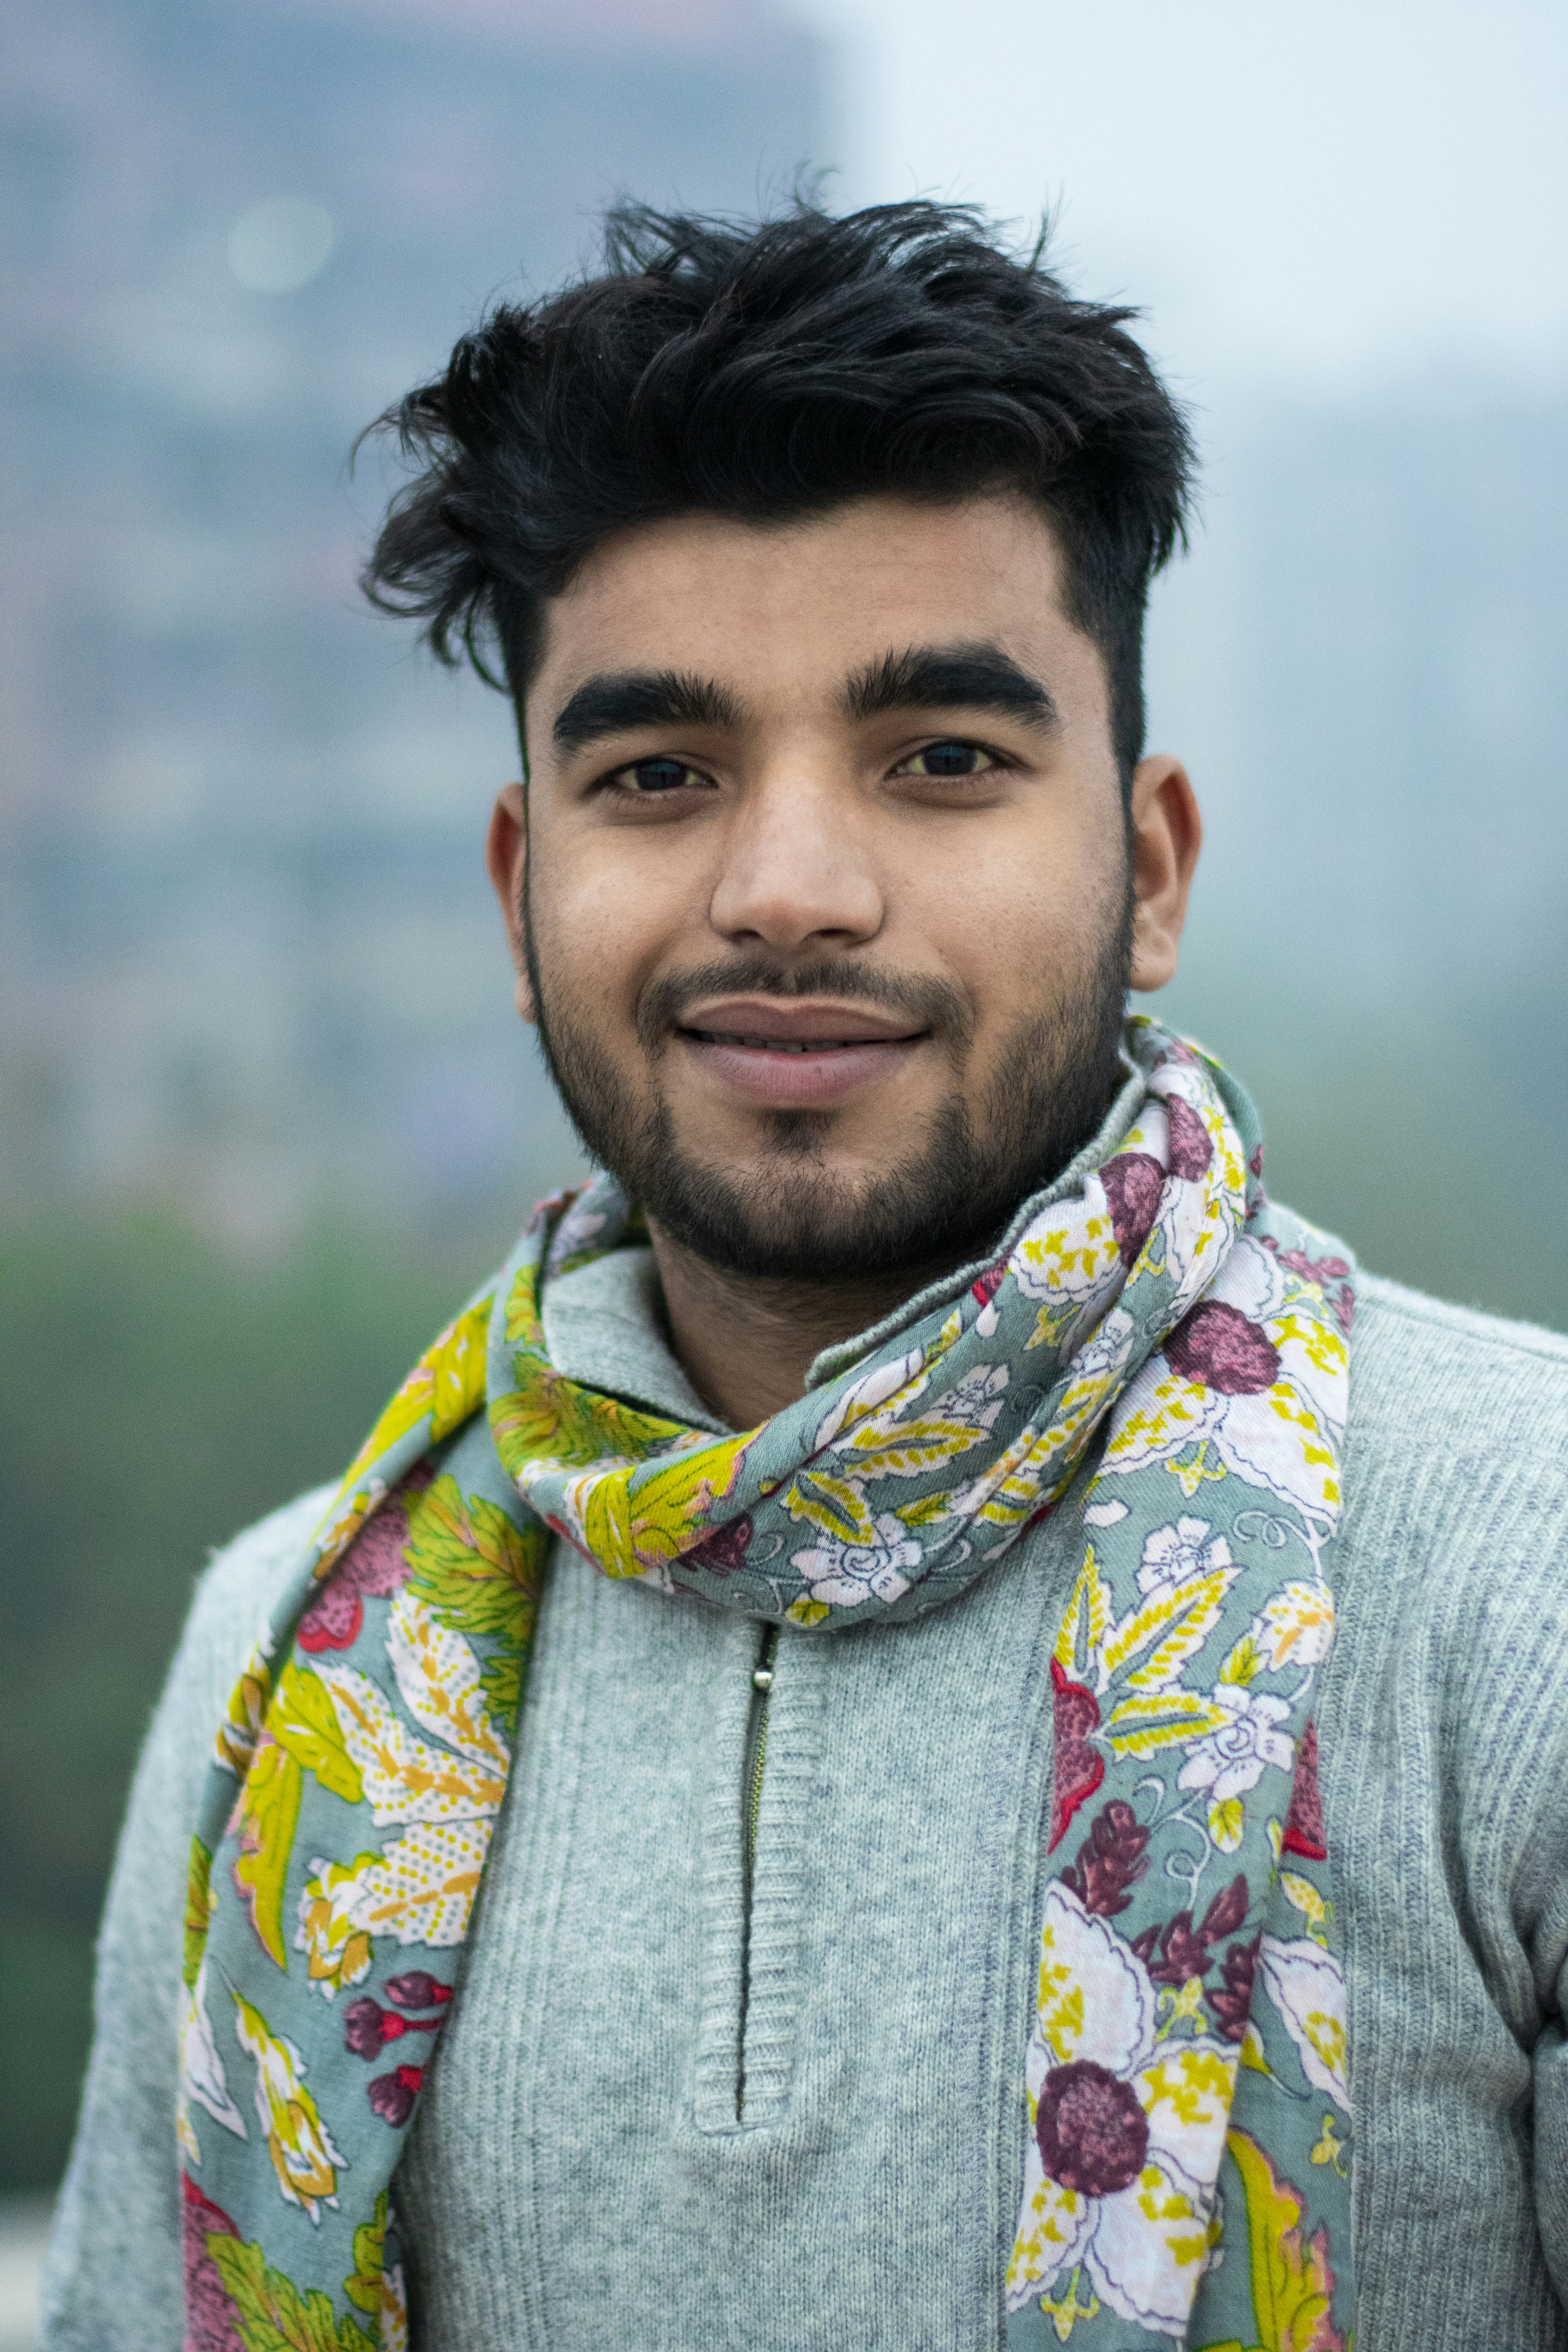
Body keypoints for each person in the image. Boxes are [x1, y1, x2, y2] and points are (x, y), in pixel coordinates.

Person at [41, 201, 1568, 2352]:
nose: (787, 890)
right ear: (518, 893)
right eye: (659, 776)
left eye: (942, 761)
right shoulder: (284, 1668)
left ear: (1145, 872)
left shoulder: (1526, 1588)